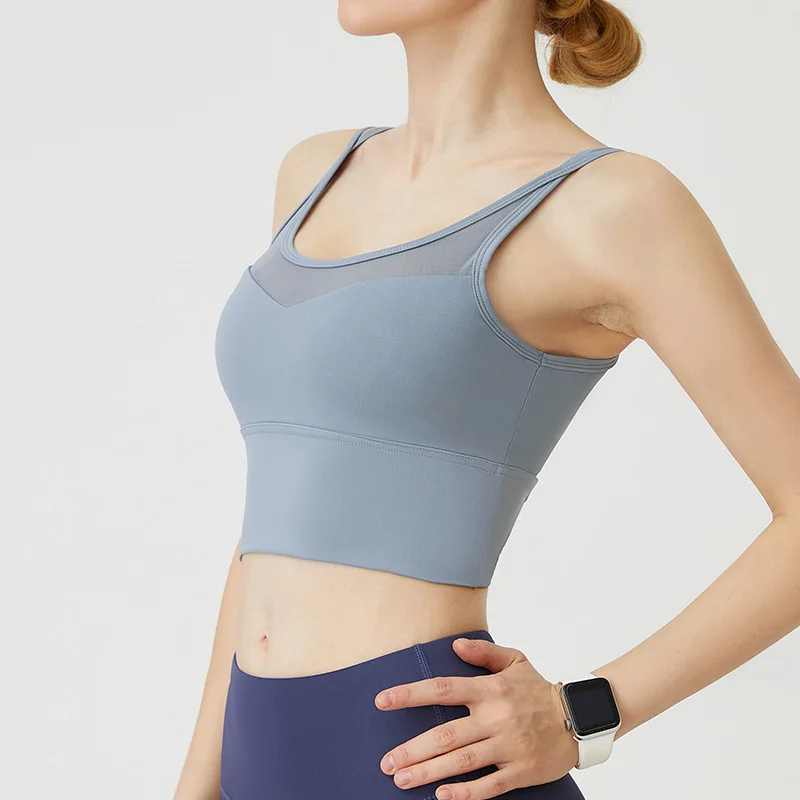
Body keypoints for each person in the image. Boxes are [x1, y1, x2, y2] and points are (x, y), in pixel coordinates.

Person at [174, 2, 800, 799]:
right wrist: (197, 785)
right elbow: (274, 515)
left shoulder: (613, 205)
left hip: (422, 764)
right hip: (257, 755)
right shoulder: (315, 174)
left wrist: (584, 715)